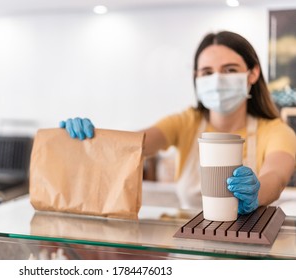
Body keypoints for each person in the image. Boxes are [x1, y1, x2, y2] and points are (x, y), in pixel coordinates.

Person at [59, 31, 296, 215]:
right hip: (190, 248)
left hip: (250, 252)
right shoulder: (185, 123)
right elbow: (133, 145)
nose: (217, 80)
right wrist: (89, 139)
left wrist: (257, 193)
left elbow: (276, 175)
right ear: (196, 77)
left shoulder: (276, 131)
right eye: (207, 72)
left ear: (252, 73)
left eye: (230, 69)